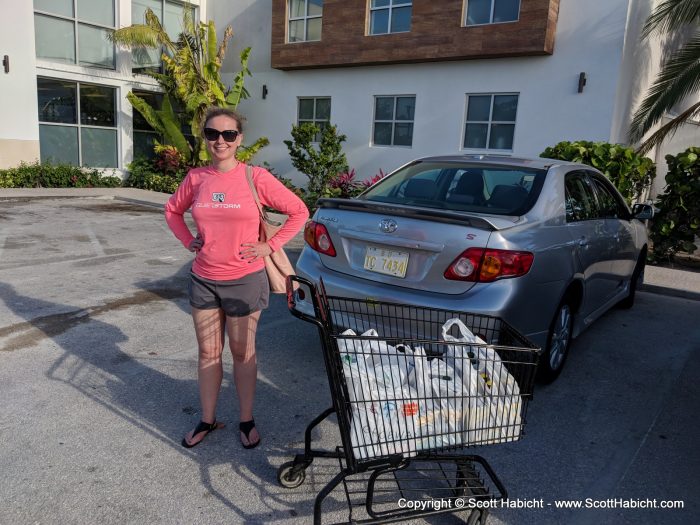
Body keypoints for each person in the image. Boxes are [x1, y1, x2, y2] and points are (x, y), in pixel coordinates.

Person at [164, 107, 309, 449]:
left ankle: (246, 420)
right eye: (213, 134)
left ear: (239, 139)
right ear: (205, 139)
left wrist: (269, 245)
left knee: (243, 353)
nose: (220, 141)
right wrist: (189, 241)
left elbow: (298, 210)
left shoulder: (254, 177)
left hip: (245, 280)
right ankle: (207, 419)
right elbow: (172, 211)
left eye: (229, 134)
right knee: (208, 353)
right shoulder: (197, 178)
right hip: (203, 279)